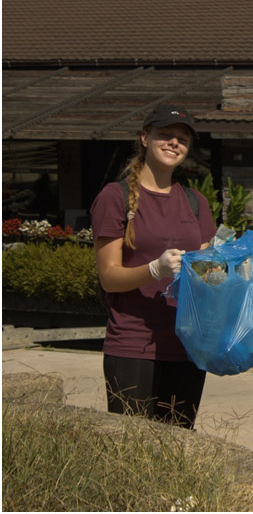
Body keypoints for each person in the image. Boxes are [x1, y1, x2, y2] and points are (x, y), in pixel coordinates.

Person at [90, 104, 216, 429]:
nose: (174, 143)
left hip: (187, 346)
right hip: (133, 345)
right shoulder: (114, 198)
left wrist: (226, 269)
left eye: (183, 139)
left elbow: (206, 271)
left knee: (176, 452)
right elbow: (109, 278)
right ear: (145, 138)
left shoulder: (195, 202)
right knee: (132, 453)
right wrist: (154, 270)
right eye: (166, 135)